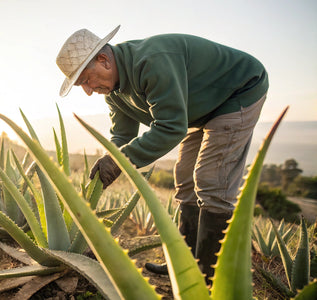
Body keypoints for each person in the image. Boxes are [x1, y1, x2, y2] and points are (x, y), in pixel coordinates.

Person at [55, 25, 268, 284]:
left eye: (86, 80)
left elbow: (170, 128)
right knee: (185, 176)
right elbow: (122, 137)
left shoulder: (151, 62)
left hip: (238, 91)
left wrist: (120, 161)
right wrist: (108, 162)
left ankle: (211, 278)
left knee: (211, 179)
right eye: (81, 85)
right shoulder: (114, 94)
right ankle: (186, 266)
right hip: (198, 110)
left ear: (103, 60)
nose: (88, 90)